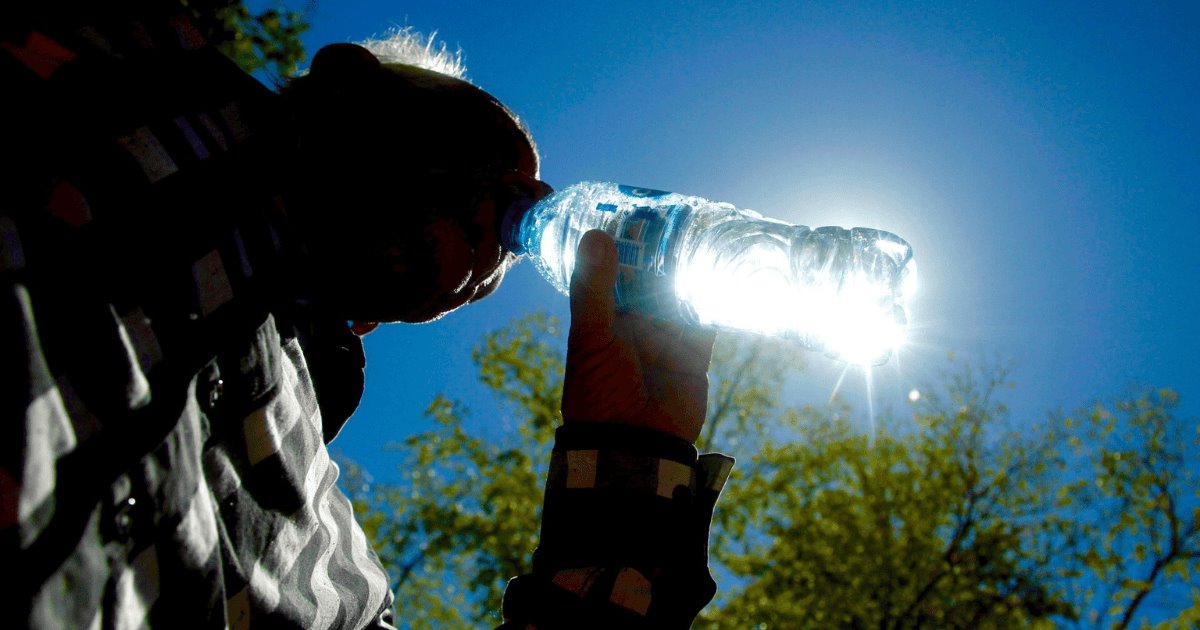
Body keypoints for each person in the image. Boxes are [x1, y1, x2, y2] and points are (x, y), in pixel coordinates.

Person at [1, 2, 732, 628]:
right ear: (345, 82)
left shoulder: (329, 560)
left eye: (499, 274)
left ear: (375, 323)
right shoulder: (121, 54)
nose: (533, 200)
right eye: (493, 148)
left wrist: (631, 461)